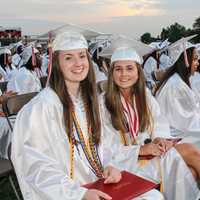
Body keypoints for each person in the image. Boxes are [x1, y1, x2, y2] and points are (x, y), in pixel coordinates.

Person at [11, 32, 164, 200]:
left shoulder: (85, 103)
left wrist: (110, 166)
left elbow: (102, 147)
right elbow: (35, 168)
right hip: (67, 193)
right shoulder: (40, 109)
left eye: (82, 56)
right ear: (56, 64)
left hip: (96, 183)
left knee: (153, 196)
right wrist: (80, 194)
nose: (78, 63)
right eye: (68, 58)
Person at [99, 47, 200, 200]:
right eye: (118, 69)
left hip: (150, 156)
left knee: (191, 171)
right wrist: (140, 150)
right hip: (126, 165)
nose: (124, 74)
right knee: (190, 151)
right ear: (111, 73)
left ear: (138, 72)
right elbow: (105, 148)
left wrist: (160, 138)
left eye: (129, 68)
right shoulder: (103, 103)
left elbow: (159, 122)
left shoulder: (144, 95)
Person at [155, 44, 200, 139]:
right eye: (195, 59)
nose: (198, 63)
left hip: (179, 130)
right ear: (185, 60)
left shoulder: (178, 79)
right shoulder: (176, 85)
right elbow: (187, 121)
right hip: (175, 136)